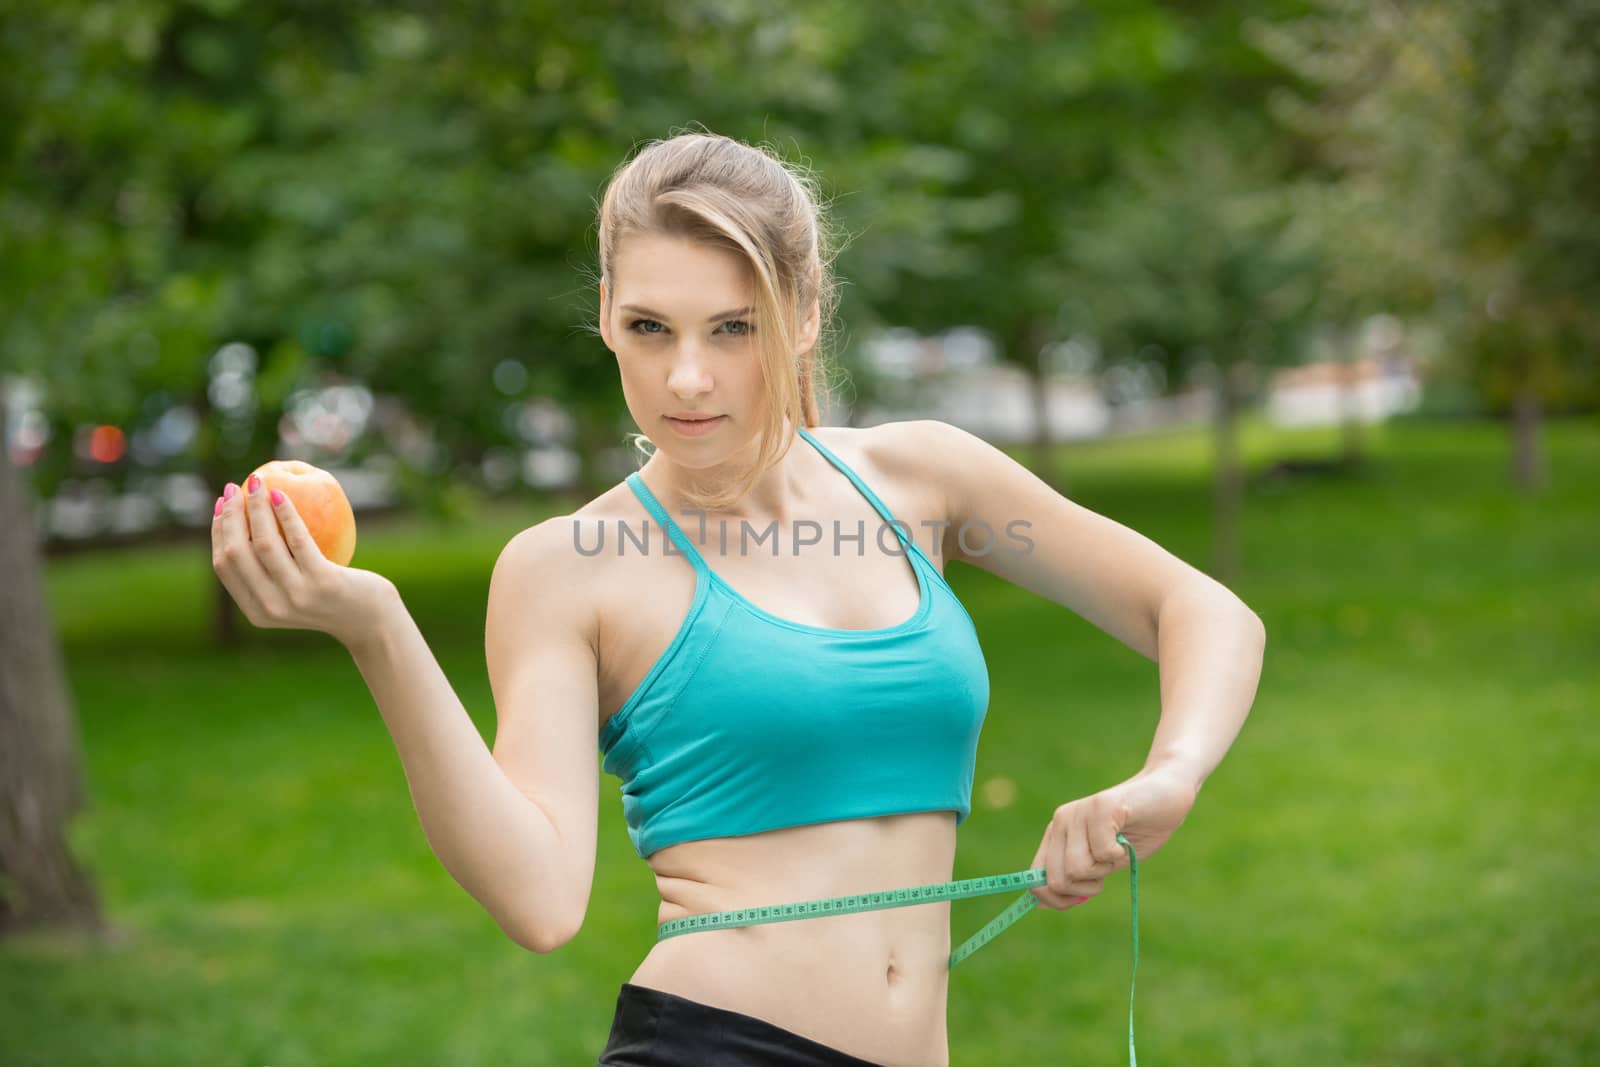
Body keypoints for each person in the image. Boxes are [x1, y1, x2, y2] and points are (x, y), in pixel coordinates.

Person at [209, 129, 1266, 1067]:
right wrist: (380, 629)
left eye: (732, 327)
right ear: (606, 320)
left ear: (804, 314)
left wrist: (1166, 777)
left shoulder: (925, 482)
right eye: (649, 328)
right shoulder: (567, 565)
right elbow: (538, 899)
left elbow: (1201, 609)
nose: (686, 379)